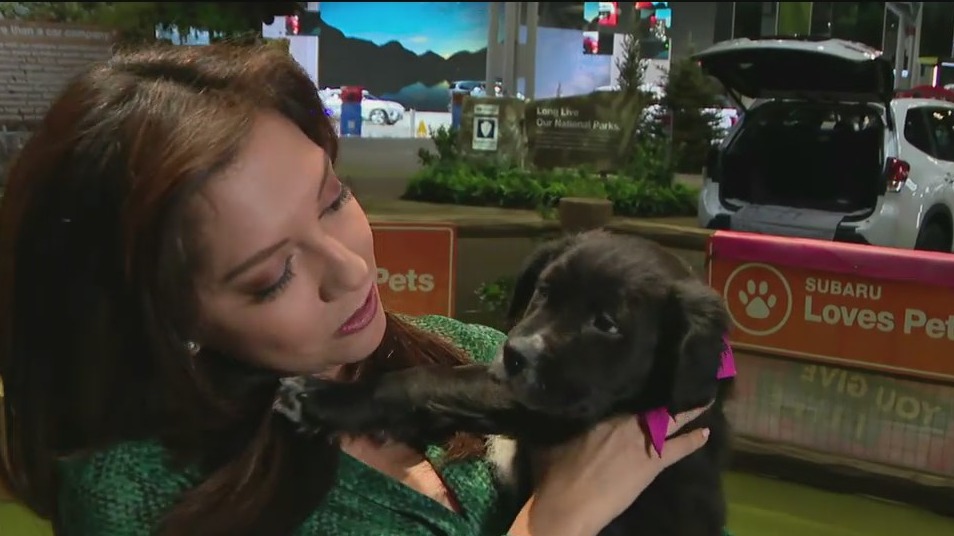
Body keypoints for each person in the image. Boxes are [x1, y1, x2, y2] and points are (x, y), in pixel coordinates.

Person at [0, 43, 712, 535]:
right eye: (273, 275)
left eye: (334, 198)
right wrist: (555, 522)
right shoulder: (141, 494)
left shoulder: (470, 352)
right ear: (164, 318)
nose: (350, 267)